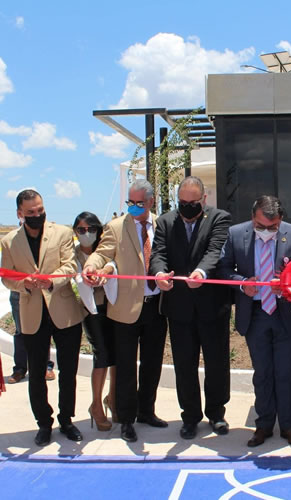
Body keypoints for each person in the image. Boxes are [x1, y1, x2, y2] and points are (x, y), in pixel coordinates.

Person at [218, 195, 291, 448]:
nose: (267, 232)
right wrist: (241, 282)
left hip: (286, 315)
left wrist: (289, 286)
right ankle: (264, 425)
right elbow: (223, 268)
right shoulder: (236, 234)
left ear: (281, 222)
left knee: (286, 373)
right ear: (252, 218)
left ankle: (289, 427)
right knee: (263, 373)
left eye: (273, 227)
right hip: (255, 314)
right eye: (262, 226)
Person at [83, 179, 167, 443]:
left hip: (157, 306)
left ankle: (146, 411)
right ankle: (126, 419)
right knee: (126, 367)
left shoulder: (163, 225)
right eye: (129, 203)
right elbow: (102, 253)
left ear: (151, 202)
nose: (132, 208)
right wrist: (92, 266)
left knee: (152, 363)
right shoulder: (116, 227)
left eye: (138, 203)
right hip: (125, 309)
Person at [0, 189, 85, 446]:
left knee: (68, 372)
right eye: (31, 212)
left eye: (40, 210)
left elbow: (70, 266)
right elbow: (6, 276)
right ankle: (44, 424)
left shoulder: (61, 233)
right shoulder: (9, 242)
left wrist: (50, 281)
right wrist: (23, 284)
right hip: (32, 314)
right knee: (36, 374)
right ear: (20, 214)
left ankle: (67, 420)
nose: (37, 215)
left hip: (64, 312)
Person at [150, 176, 232, 440]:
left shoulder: (219, 218)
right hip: (179, 308)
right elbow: (158, 253)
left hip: (211, 305)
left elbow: (214, 250)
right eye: (182, 202)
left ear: (203, 199)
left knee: (216, 362)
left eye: (192, 202)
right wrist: (160, 274)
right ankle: (190, 416)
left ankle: (217, 413)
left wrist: (200, 272)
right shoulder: (165, 221)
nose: (187, 207)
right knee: (185, 365)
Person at [73, 212, 117, 431]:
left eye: (91, 229)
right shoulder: (72, 255)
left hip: (112, 306)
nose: (86, 234)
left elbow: (116, 265)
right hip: (91, 311)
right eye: (81, 230)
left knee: (117, 354)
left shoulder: (105, 251)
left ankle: (113, 398)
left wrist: (106, 270)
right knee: (101, 354)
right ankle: (96, 404)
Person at [7, 291, 55, 384]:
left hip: (40, 290)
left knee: (43, 330)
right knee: (21, 331)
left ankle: (46, 366)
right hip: (19, 292)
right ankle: (20, 369)